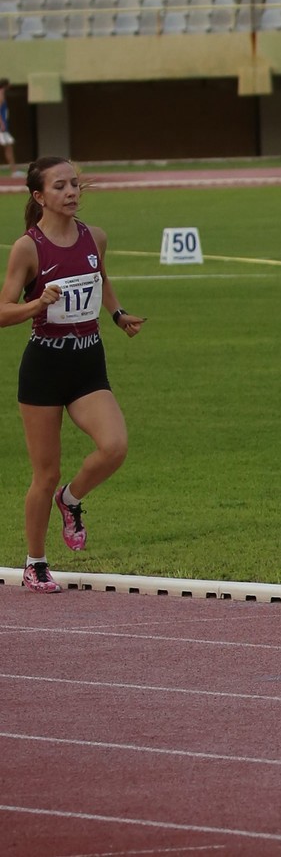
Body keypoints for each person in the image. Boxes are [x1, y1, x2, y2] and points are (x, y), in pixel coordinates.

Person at [1, 157, 144, 593]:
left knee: (115, 446)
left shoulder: (94, 236)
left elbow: (99, 276)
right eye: (60, 186)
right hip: (44, 366)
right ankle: (35, 562)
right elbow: (4, 310)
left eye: (75, 184)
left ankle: (72, 499)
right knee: (44, 473)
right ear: (39, 196)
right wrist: (36, 305)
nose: (71, 192)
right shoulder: (28, 248)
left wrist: (117, 314)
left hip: (87, 362)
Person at [0, 78, 18, 177]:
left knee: (9, 147)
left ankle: (14, 170)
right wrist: (2, 124)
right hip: (2, 127)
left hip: (3, 126)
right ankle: (14, 171)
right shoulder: (0, 95)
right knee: (8, 147)